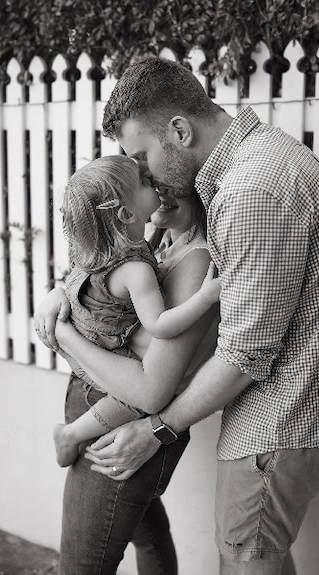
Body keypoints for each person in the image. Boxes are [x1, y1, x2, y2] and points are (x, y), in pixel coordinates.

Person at [37, 57, 319, 574]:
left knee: (243, 562)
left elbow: (245, 353)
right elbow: (116, 258)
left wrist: (159, 430)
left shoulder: (251, 191)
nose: (142, 173)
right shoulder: (246, 171)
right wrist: (67, 290)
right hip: (284, 411)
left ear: (179, 129)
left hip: (281, 416)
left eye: (142, 156)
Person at [35, 184, 220, 574]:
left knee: (83, 563)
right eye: (150, 185)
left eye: (171, 187)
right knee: (147, 533)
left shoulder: (197, 260)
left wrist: (63, 333)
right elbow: (96, 282)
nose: (156, 194)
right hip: (102, 403)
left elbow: (151, 389)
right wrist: (59, 293)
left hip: (125, 424)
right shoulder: (156, 240)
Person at [50, 155, 220, 467]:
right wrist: (204, 298)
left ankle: (71, 434)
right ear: (127, 212)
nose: (155, 184)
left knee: (136, 517)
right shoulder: (139, 260)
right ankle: (71, 434)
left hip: (91, 372)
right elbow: (158, 325)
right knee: (132, 405)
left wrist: (62, 322)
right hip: (102, 383)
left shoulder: (116, 250)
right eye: (146, 182)